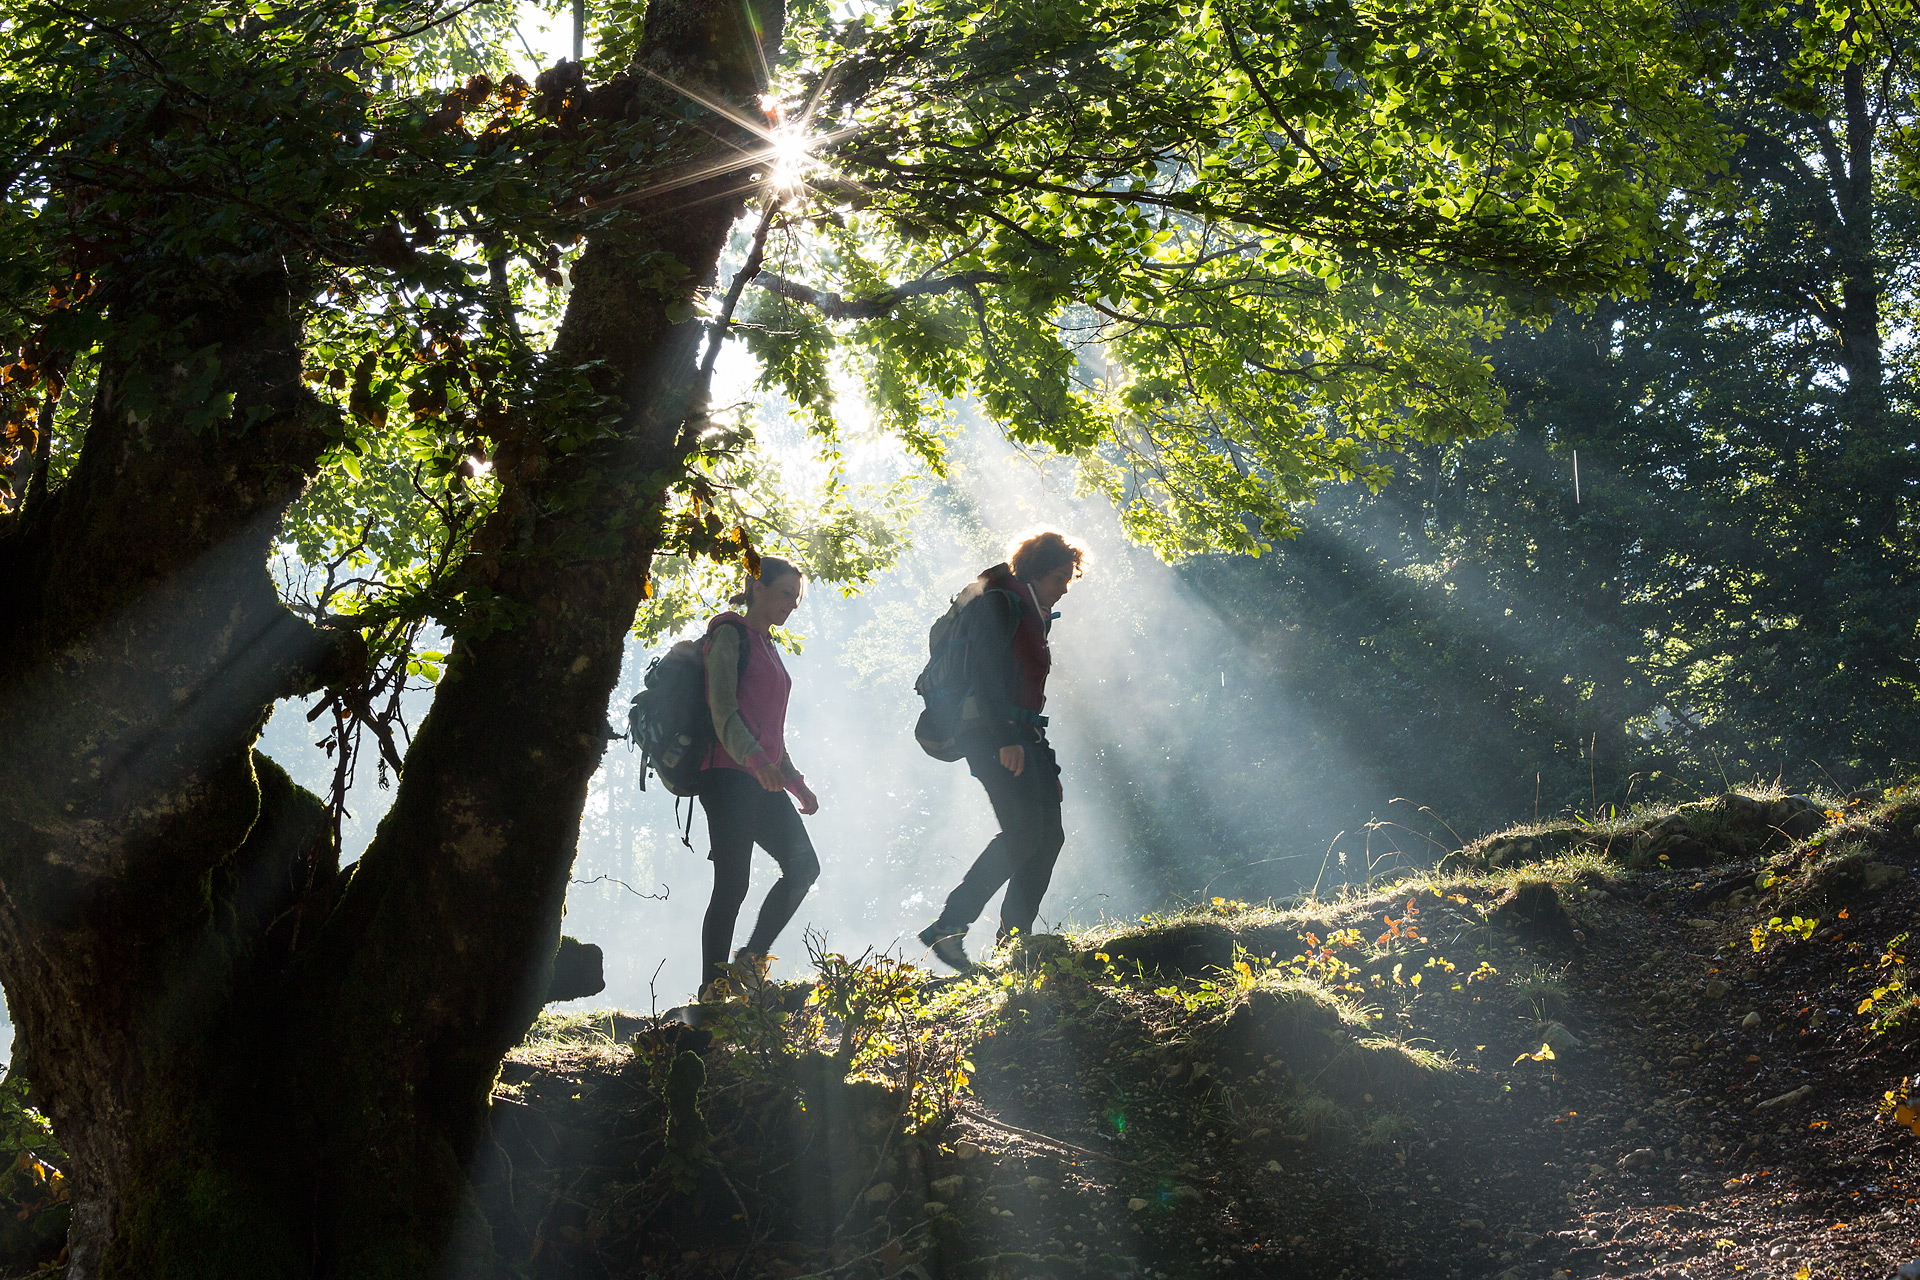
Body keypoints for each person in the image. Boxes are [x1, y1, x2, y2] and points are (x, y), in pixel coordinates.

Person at [917, 529, 1086, 972]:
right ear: (1035, 570)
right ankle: (949, 927)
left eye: (1069, 577)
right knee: (1026, 829)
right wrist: (1005, 737)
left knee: (1048, 835)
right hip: (990, 732)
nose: (1066, 586)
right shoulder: (1001, 602)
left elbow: (1027, 695)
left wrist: (1045, 763)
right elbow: (986, 673)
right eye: (1059, 576)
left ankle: (1016, 940)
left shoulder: (1033, 610)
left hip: (1021, 733)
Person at [697, 556, 820, 1000]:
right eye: (785, 593)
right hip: (728, 775)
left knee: (804, 866)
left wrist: (794, 780)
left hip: (762, 777)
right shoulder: (729, 635)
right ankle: (712, 988)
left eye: (796, 597)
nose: (792, 603)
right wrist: (757, 761)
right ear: (758, 588)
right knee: (733, 883)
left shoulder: (768, 645)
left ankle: (749, 961)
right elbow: (723, 710)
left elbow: (770, 730)